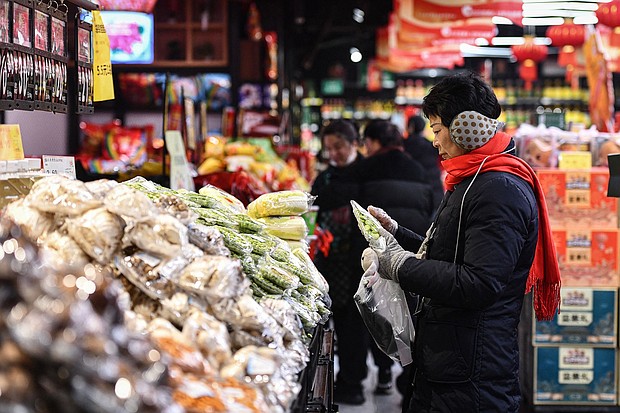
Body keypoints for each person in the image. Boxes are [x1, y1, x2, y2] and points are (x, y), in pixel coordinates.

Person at [365, 72, 561, 413]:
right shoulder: (473, 178)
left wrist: (399, 266)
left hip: (473, 376)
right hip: (451, 363)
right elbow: (450, 252)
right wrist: (396, 233)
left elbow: (479, 283)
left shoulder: (499, 190)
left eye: (438, 130)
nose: (434, 141)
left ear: (466, 128)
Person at [353, 119, 437, 395]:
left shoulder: (364, 168)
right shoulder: (417, 166)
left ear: (374, 143)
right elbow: (430, 206)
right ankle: (409, 371)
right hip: (412, 250)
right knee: (408, 312)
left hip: (379, 253)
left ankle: (386, 371)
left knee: (381, 310)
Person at [310, 119, 369, 405]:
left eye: (339, 147)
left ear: (353, 143)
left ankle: (354, 381)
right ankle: (337, 379)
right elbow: (313, 210)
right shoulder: (325, 178)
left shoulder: (368, 173)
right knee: (331, 318)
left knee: (354, 324)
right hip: (330, 262)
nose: (333, 153)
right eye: (328, 148)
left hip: (359, 261)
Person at [405, 115, 444, 209]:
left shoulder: (403, 146)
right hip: (434, 190)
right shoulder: (432, 146)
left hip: (412, 193)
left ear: (411, 127)